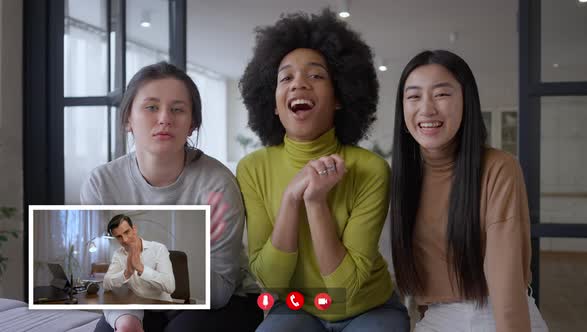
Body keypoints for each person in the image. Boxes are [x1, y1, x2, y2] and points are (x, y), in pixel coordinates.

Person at [237, 9, 409, 332]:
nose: (298, 83)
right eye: (285, 77)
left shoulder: (371, 169)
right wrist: (291, 198)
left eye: (315, 75)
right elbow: (271, 281)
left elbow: (344, 285)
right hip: (295, 308)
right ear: (273, 104)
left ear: (340, 97)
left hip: (368, 308)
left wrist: (316, 203)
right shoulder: (252, 169)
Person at [81, 62, 262, 332]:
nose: (164, 118)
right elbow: (106, 275)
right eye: (151, 107)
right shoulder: (101, 184)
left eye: (177, 109)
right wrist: (126, 319)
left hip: (222, 302)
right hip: (140, 300)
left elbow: (221, 289)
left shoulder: (217, 183)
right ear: (128, 118)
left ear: (192, 124)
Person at [390, 49, 548, 332]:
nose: (427, 108)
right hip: (435, 318)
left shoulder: (498, 168)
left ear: (467, 101)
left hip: (495, 316)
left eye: (441, 94)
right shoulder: (404, 178)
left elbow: (507, 292)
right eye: (414, 96)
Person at [103, 214, 175, 305]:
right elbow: (106, 284)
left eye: (126, 232)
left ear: (134, 229)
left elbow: (170, 286)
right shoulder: (118, 254)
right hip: (137, 307)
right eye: (119, 237)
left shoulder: (159, 249)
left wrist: (141, 268)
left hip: (161, 306)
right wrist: (127, 273)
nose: (124, 240)